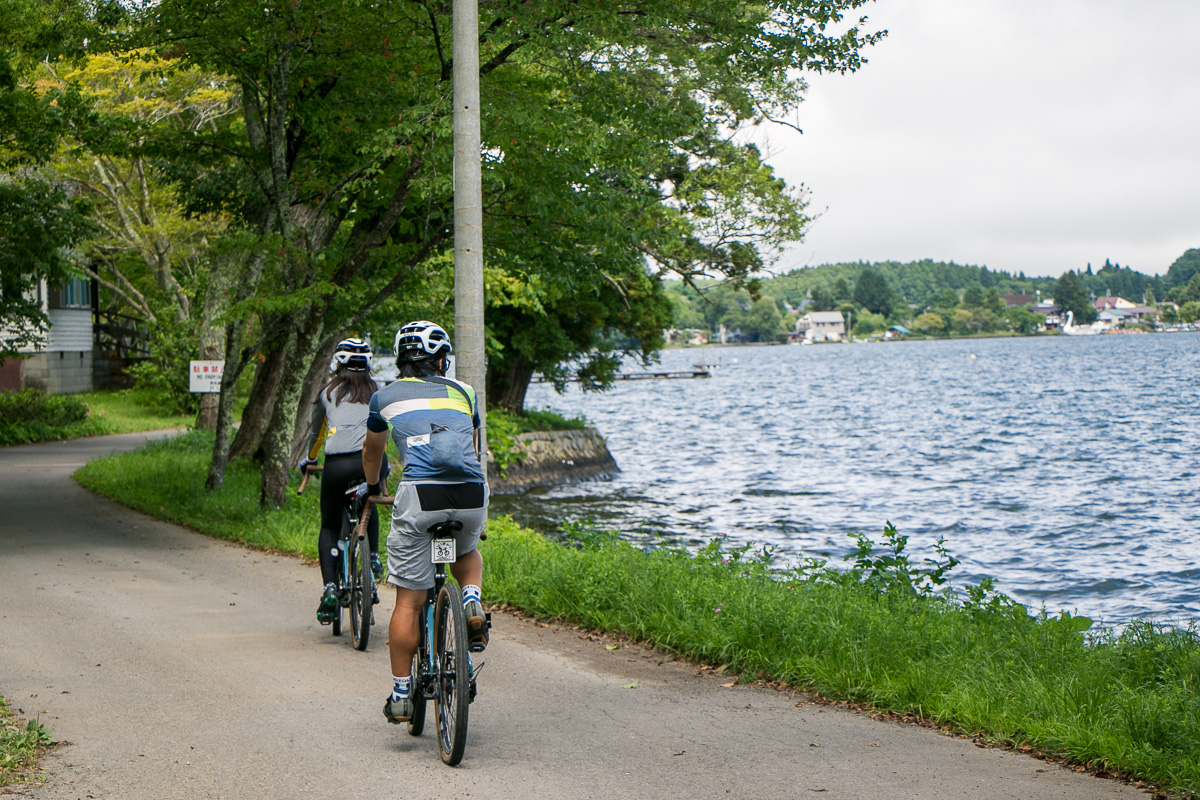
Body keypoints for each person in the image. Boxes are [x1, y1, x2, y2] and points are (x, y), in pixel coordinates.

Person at [361, 320, 489, 724]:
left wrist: (371, 485)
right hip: (471, 494)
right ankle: (470, 599)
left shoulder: (383, 398)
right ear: (441, 359)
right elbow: (471, 446)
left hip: (421, 497)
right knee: (467, 552)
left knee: (409, 601)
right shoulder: (465, 392)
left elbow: (373, 451)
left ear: (401, 359)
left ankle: (401, 694)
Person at [300, 337, 385, 625]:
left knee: (330, 524)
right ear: (369, 363)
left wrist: (310, 461)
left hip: (337, 465)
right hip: (371, 463)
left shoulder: (327, 393)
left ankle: (330, 588)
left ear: (338, 363)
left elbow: (317, 436)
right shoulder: (378, 392)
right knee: (369, 502)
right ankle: (372, 557)